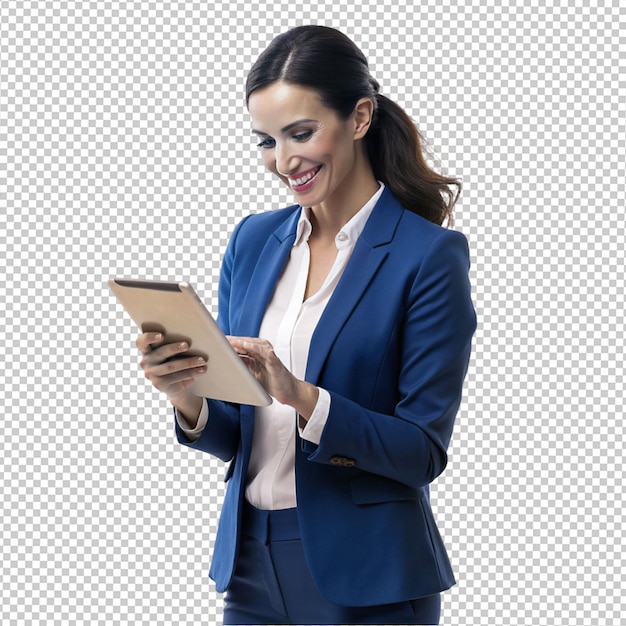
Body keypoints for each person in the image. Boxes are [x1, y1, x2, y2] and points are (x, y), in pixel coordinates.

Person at [136, 25, 476, 626]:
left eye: (301, 133)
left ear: (361, 117)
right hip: (250, 569)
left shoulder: (427, 256)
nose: (282, 161)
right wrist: (186, 394)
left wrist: (300, 396)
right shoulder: (253, 240)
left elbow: (422, 451)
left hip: (372, 579)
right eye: (264, 141)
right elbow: (241, 438)